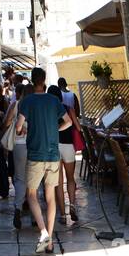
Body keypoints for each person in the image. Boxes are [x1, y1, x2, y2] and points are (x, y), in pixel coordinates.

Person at [19, 67, 73, 253]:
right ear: (45, 80)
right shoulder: (54, 100)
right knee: (51, 197)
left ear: (32, 81)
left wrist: (25, 126)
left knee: (31, 194)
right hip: (53, 154)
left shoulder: (27, 101)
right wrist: (55, 130)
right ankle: (49, 242)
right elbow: (69, 121)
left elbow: (18, 127)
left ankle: (43, 232)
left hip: (36, 154)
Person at [49, 83, 79, 225]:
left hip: (55, 147)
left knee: (58, 183)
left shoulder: (47, 111)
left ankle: (62, 214)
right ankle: (72, 205)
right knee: (71, 178)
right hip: (68, 147)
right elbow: (77, 127)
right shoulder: (68, 108)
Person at [3, 80, 27, 228]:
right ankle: (34, 216)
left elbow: (6, 123)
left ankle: (18, 207)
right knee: (33, 181)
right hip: (34, 145)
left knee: (19, 179)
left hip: (19, 145)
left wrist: (14, 123)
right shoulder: (35, 105)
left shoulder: (16, 104)